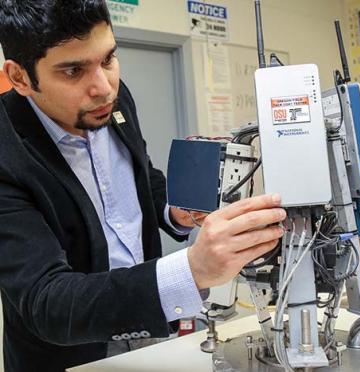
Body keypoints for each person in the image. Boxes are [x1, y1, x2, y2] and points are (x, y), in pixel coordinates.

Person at [0, 1, 286, 371]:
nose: (104, 88)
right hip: (71, 355)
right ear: (20, 77)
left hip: (148, 325)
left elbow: (138, 176)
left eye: (108, 59)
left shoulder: (115, 101)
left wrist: (172, 207)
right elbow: (47, 301)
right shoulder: (5, 150)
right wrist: (193, 269)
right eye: (73, 70)